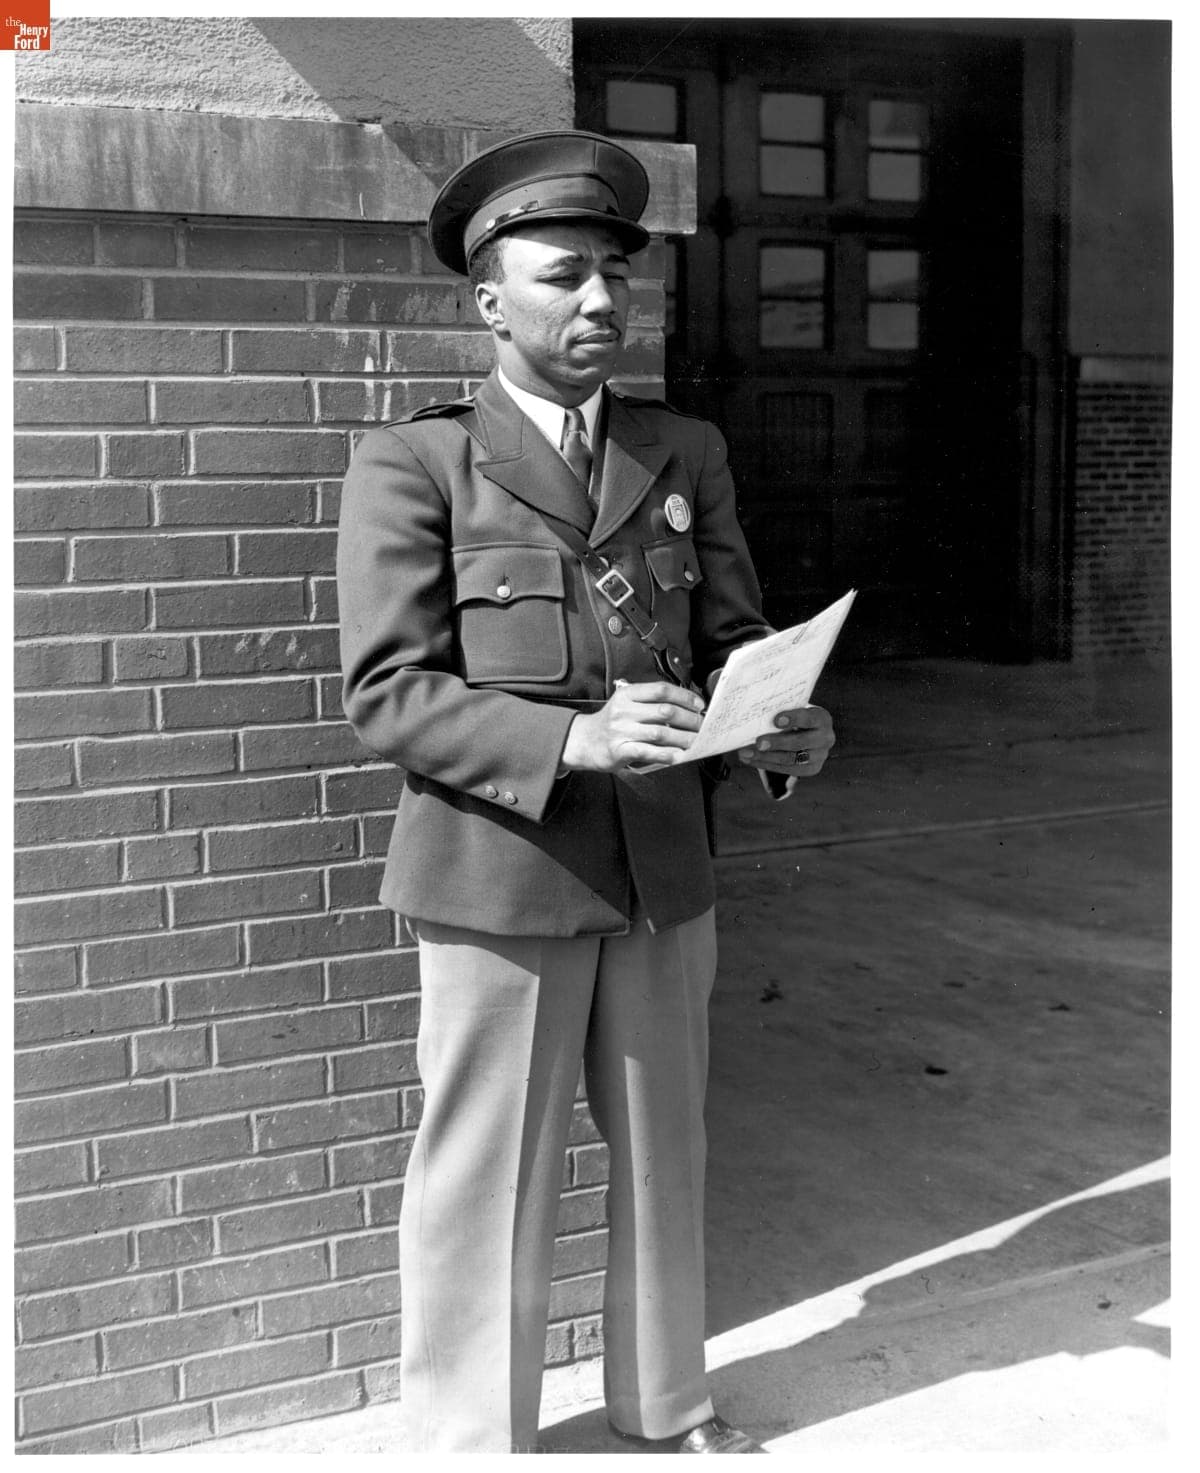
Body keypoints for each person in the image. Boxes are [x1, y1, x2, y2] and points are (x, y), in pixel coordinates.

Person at [336, 129, 835, 1454]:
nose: (604, 300)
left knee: (667, 1153)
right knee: (487, 1172)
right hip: (500, 879)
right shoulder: (416, 464)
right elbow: (387, 693)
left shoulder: (685, 450)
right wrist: (574, 740)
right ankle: (470, 1439)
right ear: (491, 302)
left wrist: (775, 727)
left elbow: (732, 638)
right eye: (565, 276)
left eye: (619, 275)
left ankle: (666, 1406)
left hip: (665, 871)